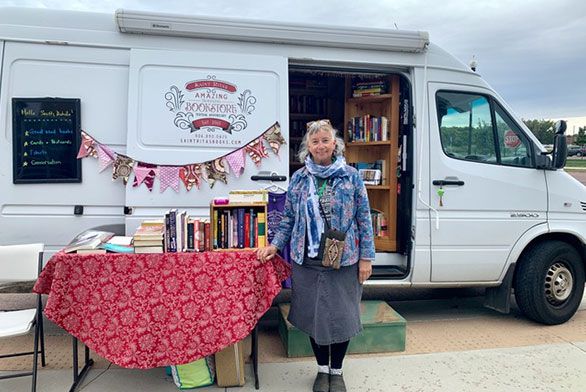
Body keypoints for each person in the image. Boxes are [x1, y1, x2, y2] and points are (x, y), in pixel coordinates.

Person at [256, 119, 375, 392]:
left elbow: (363, 219)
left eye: (325, 140)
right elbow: (287, 219)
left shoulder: (351, 176)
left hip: (343, 259)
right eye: (315, 141)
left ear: (335, 144)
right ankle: (322, 370)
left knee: (343, 316)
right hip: (307, 260)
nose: (320, 145)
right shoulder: (299, 179)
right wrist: (275, 245)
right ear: (307, 147)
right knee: (314, 316)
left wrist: (366, 258)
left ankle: (337, 371)